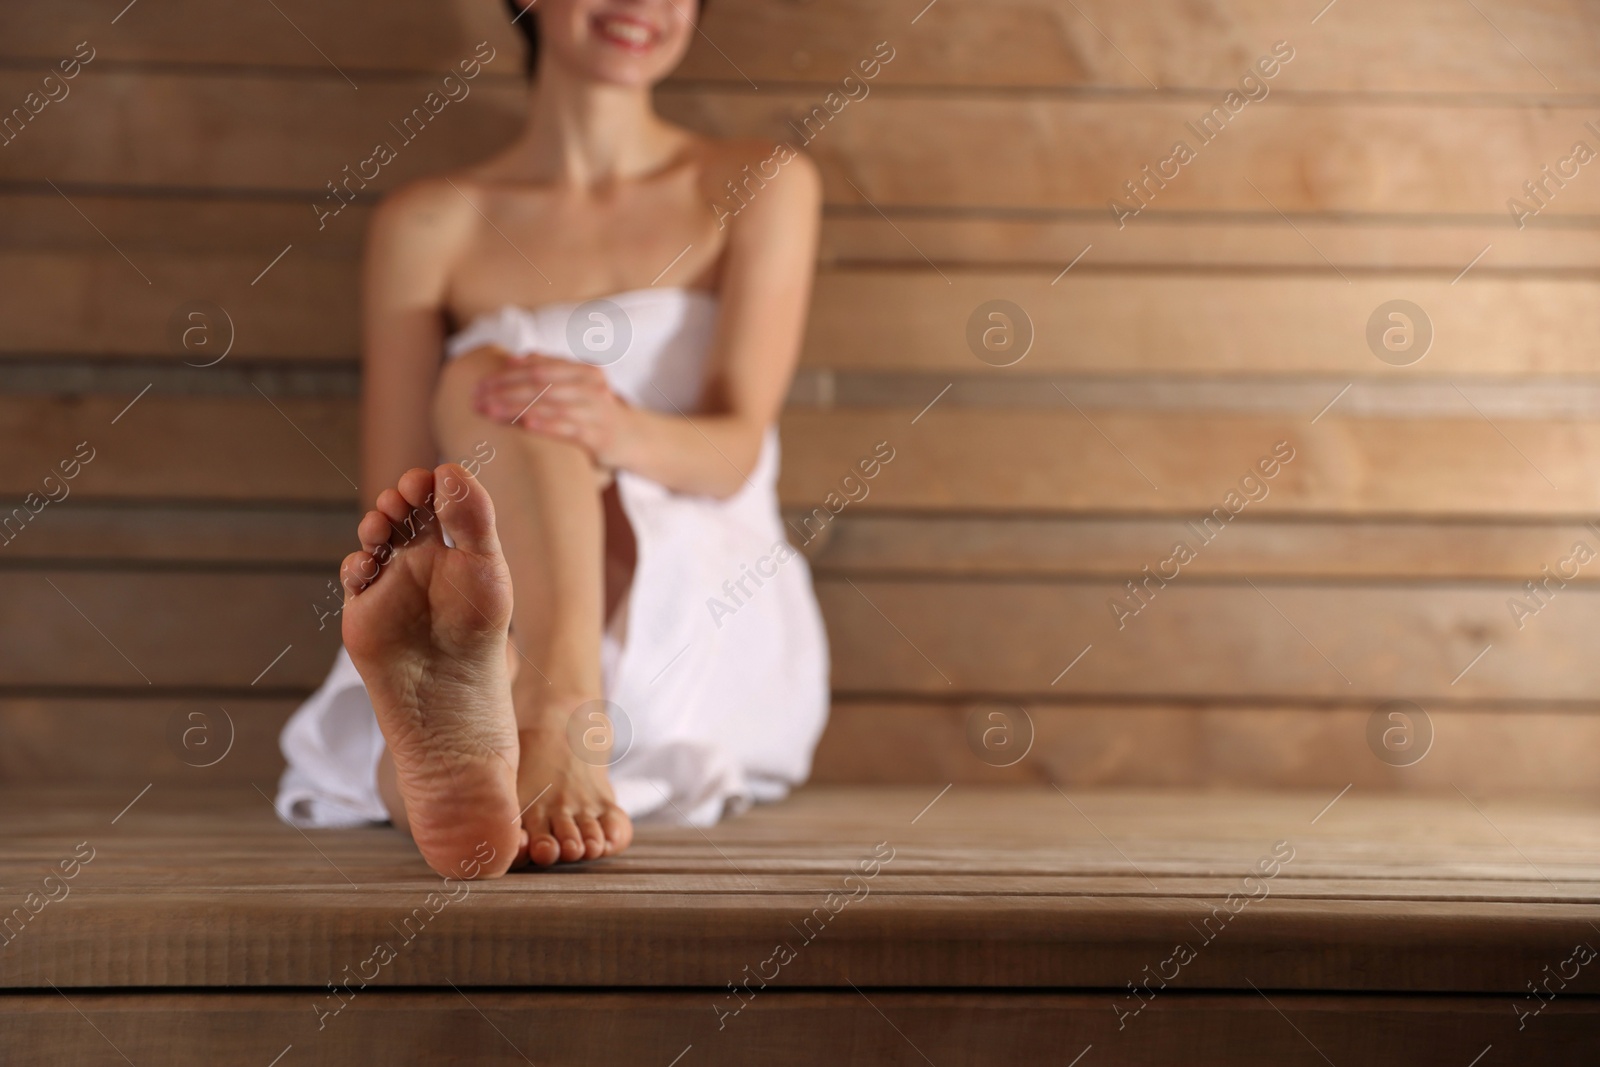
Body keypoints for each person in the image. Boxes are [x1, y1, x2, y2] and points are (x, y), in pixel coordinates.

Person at [274, 0, 829, 879]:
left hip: (685, 588)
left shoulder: (758, 182)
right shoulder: (431, 221)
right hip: (488, 576)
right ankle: (480, 722)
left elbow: (734, 452)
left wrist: (612, 428)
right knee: (486, 391)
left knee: (497, 381)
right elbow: (396, 495)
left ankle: (544, 698)